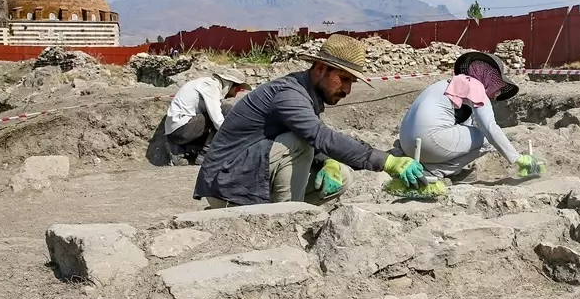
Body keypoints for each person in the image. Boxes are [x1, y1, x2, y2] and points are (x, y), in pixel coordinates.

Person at [193, 34, 425, 207]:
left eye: (351, 81)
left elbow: (314, 138)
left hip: (248, 174)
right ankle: (282, 220)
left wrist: (328, 162)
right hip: (225, 185)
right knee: (299, 143)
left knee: (341, 174)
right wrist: (386, 161)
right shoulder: (289, 94)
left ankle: (290, 211)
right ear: (321, 68)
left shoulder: (306, 94)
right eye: (343, 78)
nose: (347, 89)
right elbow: (316, 135)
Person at [397, 51, 543, 182]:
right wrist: (518, 158)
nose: (497, 94)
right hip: (429, 142)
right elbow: (489, 128)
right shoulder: (475, 86)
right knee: (487, 139)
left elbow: (468, 124)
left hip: (407, 145)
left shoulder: (449, 85)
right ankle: (435, 170)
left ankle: (433, 166)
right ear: (489, 78)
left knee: (471, 129)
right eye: (497, 86)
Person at [164, 70, 251, 165]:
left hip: (178, 130)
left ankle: (183, 151)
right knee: (226, 110)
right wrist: (236, 139)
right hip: (180, 130)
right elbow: (218, 120)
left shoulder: (206, 84)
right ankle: (206, 155)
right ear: (229, 84)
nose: (234, 95)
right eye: (237, 90)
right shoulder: (210, 86)